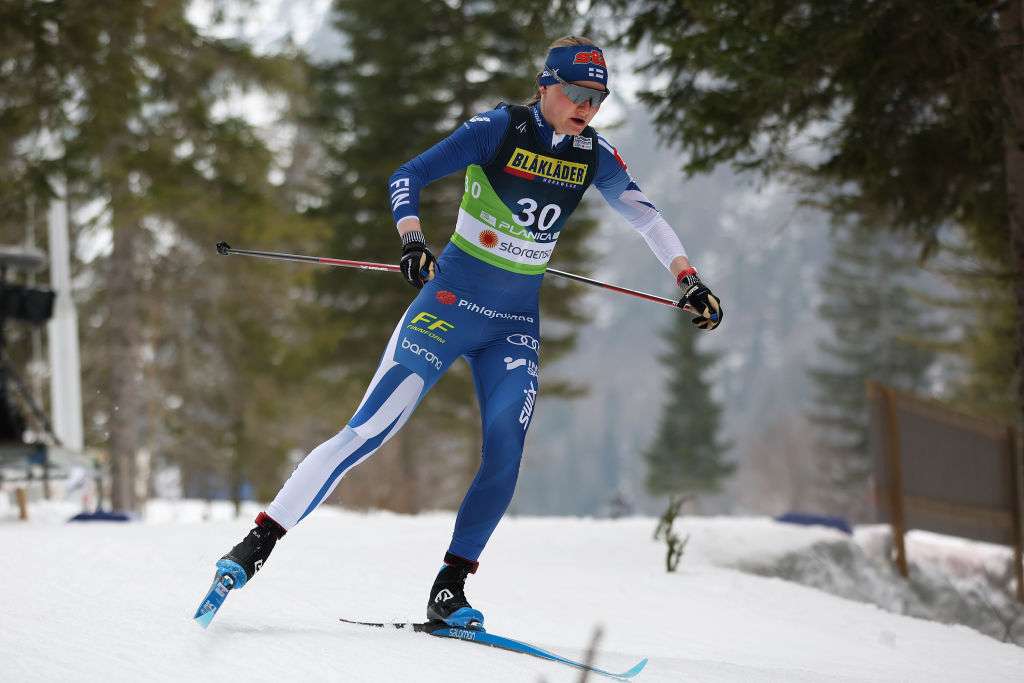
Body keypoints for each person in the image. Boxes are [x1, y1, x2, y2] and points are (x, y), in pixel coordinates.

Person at [213, 36, 722, 629]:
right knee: (371, 429)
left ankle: (450, 589)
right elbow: (409, 174)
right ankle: (255, 545)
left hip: (514, 325)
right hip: (449, 305)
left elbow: (647, 217)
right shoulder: (500, 129)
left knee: (506, 450)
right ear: (546, 85)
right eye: (578, 92)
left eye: (598, 97)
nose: (587, 105)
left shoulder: (595, 156)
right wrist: (411, 238)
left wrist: (688, 278)